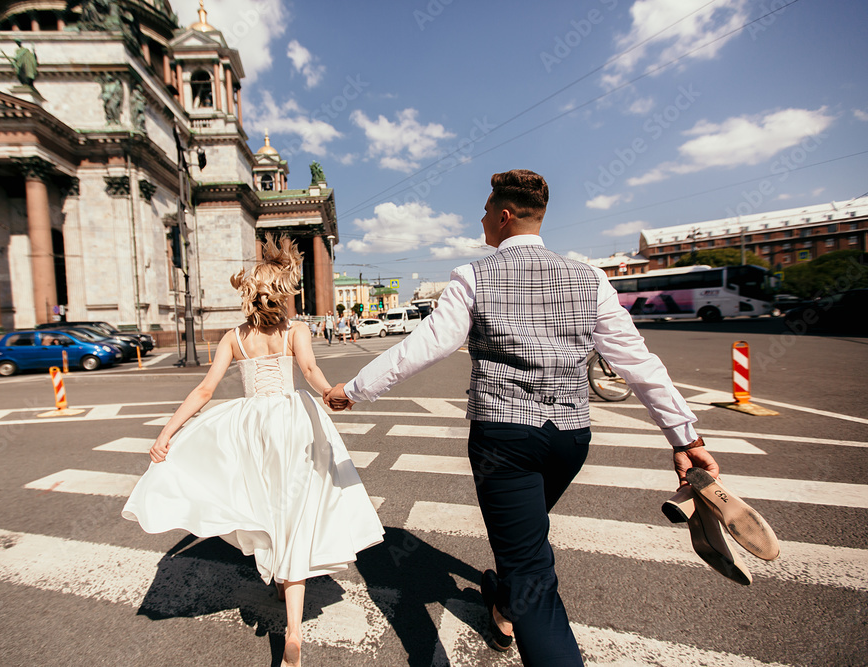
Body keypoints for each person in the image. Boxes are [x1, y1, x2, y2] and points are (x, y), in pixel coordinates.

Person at [326, 170, 719, 666]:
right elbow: (636, 361)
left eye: (487, 210)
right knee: (524, 542)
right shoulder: (589, 278)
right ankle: (503, 604)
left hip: (503, 441)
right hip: (570, 438)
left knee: (532, 571)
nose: (482, 218)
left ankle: (521, 609)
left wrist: (355, 390)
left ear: (505, 215)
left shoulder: (474, 276)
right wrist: (685, 437)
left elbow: (423, 347)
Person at [122, 236, 383, 667]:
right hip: (292, 422)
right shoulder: (294, 331)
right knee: (295, 512)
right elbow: (310, 371)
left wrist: (167, 433)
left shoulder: (233, 338)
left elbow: (205, 391)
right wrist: (331, 395)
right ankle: (294, 632)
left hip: (248, 428)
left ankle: (280, 577)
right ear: (280, 294)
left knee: (263, 505)